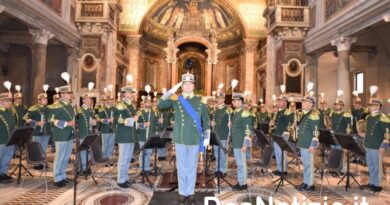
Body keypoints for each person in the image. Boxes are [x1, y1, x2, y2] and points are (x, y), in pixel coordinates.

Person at [158, 72, 210, 205]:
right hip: (180, 139)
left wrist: (207, 136)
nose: (187, 86)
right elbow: (161, 105)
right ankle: (182, 192)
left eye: (189, 84)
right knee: (181, 167)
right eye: (184, 84)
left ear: (193, 86)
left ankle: (190, 192)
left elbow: (206, 120)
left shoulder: (200, 101)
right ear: (182, 86)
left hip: (193, 138)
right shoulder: (176, 99)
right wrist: (172, 90)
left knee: (192, 167)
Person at [48, 84, 75, 187]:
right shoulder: (56, 105)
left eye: (70, 93)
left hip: (69, 134)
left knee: (66, 156)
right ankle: (57, 178)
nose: (70, 95)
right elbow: (51, 120)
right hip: (60, 134)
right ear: (62, 94)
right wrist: (67, 124)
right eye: (69, 93)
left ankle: (62, 175)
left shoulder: (69, 106)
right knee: (59, 156)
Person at [361, 96, 390, 192]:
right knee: (371, 165)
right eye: (369, 105)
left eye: (372, 105)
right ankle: (372, 182)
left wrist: (383, 146)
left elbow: (387, 134)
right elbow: (368, 131)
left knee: (377, 166)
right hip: (368, 144)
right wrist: (363, 134)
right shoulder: (369, 117)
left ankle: (378, 185)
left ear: (378, 107)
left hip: (377, 146)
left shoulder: (383, 118)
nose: (370, 107)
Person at [114, 86, 138, 188]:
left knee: (128, 159)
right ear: (125, 94)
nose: (132, 95)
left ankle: (125, 177)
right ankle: (120, 180)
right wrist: (132, 119)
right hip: (124, 135)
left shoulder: (130, 106)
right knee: (123, 158)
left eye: (132, 93)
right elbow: (118, 120)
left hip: (131, 136)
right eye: (130, 93)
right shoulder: (120, 105)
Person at [296, 95, 320, 191]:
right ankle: (306, 182)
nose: (303, 104)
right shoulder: (303, 114)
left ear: (311, 105)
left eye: (305, 103)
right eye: (303, 102)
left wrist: (313, 145)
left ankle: (310, 184)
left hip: (308, 144)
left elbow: (316, 132)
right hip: (302, 143)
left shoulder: (314, 115)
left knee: (309, 165)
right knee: (305, 165)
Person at [230, 93, 253, 190]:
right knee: (239, 164)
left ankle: (243, 184)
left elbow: (248, 130)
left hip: (241, 143)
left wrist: (245, 145)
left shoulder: (245, 113)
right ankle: (240, 181)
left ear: (240, 102)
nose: (232, 102)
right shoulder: (237, 112)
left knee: (242, 164)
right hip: (236, 142)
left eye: (234, 101)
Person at [24, 91, 51, 170]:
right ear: (39, 100)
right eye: (43, 99)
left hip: (46, 131)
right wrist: (36, 123)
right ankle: (36, 164)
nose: (46, 100)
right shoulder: (33, 108)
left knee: (44, 148)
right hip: (36, 131)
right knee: (37, 148)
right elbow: (26, 118)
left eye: (46, 99)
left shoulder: (49, 108)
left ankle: (42, 162)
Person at [270, 94, 293, 176]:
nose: (279, 102)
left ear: (285, 103)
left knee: (283, 153)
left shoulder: (288, 112)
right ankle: (279, 169)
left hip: (283, 135)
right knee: (277, 153)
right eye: (278, 101)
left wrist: (286, 132)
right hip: (276, 135)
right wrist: (272, 124)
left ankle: (284, 170)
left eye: (281, 101)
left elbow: (290, 124)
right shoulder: (278, 112)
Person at [210, 91, 231, 176]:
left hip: (223, 134)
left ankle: (223, 170)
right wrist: (211, 122)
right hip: (216, 134)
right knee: (216, 153)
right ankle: (217, 169)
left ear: (223, 99)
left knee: (223, 153)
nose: (218, 100)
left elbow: (231, 120)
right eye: (218, 98)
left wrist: (231, 123)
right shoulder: (216, 110)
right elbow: (214, 120)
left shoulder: (227, 110)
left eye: (220, 98)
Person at [76, 92, 97, 175]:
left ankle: (86, 167)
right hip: (83, 134)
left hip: (90, 134)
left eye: (90, 99)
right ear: (83, 100)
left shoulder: (90, 110)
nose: (89, 101)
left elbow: (95, 120)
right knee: (83, 152)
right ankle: (82, 168)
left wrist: (95, 122)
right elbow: (76, 123)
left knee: (89, 152)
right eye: (87, 99)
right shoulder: (79, 110)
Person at [137, 95, 159, 174]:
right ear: (144, 103)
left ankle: (147, 168)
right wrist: (144, 125)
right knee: (143, 153)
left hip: (150, 136)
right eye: (147, 102)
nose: (149, 103)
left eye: (150, 102)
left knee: (149, 152)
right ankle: (141, 168)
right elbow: (136, 125)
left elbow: (156, 123)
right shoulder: (140, 113)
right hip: (142, 135)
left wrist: (159, 122)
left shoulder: (154, 112)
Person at [0, 92, 16, 183]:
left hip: (10, 139)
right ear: (1, 101)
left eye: (10, 101)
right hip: (1, 139)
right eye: (7, 101)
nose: (9, 103)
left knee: (7, 157)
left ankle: (3, 173)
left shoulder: (9, 111)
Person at [98, 95, 116, 159]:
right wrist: (108, 120)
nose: (111, 101)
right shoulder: (102, 109)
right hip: (105, 129)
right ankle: (104, 158)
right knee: (105, 145)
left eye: (112, 100)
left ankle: (109, 157)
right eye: (110, 100)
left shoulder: (114, 108)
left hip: (113, 129)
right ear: (107, 101)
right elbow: (99, 119)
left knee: (111, 145)